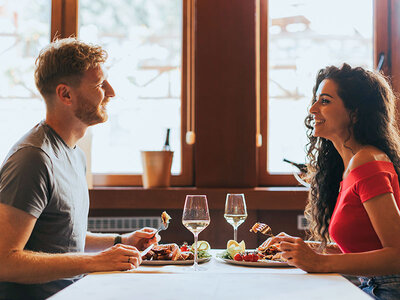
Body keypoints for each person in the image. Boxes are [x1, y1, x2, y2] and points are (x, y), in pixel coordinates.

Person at [0, 38, 158, 300]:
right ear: (66, 94)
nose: (111, 91)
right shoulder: (33, 159)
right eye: (99, 84)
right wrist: (94, 262)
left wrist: (121, 241)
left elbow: (59, 237)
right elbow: (4, 261)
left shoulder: (76, 155)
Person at [266, 63, 400, 300]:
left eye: (325, 101)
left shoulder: (367, 161)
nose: (312, 109)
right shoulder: (353, 164)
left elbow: (397, 256)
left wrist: (319, 262)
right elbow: (367, 247)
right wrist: (307, 250)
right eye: (316, 100)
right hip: (371, 285)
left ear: (355, 112)